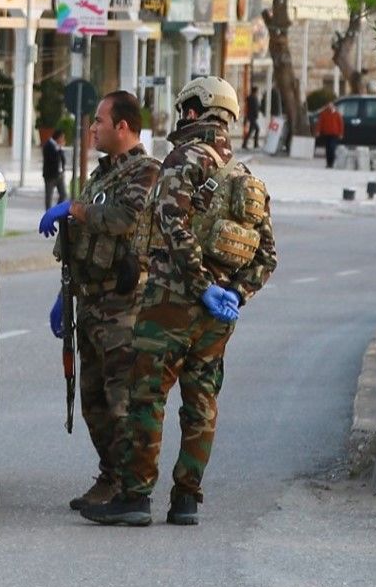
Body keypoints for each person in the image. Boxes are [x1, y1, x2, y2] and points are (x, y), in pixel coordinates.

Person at [83, 76, 277, 528]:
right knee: (202, 400)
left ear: (194, 112)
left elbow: (172, 223)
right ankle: (186, 499)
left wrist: (198, 283)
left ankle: (135, 496)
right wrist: (233, 294)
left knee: (145, 395)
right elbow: (268, 256)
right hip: (216, 316)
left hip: (171, 301)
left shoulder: (181, 161)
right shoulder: (247, 178)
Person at [37, 91, 163, 512]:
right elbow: (78, 246)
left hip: (122, 306)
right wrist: (63, 298)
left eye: (99, 121)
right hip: (89, 302)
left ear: (122, 127)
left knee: (121, 399)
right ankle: (110, 476)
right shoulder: (101, 176)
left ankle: (132, 490)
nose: (92, 128)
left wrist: (73, 209)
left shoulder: (145, 172)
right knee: (90, 398)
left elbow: (124, 219)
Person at [41, 127, 68, 207]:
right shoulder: (48, 145)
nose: (63, 140)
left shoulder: (58, 147)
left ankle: (57, 211)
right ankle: (49, 214)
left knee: (63, 194)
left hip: (59, 175)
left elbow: (62, 159)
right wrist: (59, 149)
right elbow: (53, 159)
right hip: (50, 175)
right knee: (49, 196)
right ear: (58, 137)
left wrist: (63, 170)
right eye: (62, 138)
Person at [315, 100, 345, 168]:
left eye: (331, 105)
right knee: (327, 149)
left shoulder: (337, 114)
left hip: (334, 134)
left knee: (332, 148)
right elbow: (320, 123)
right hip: (326, 133)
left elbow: (341, 124)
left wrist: (341, 133)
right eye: (328, 106)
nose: (329, 107)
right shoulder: (324, 114)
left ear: (333, 106)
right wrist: (318, 131)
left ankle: (332, 162)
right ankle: (328, 163)